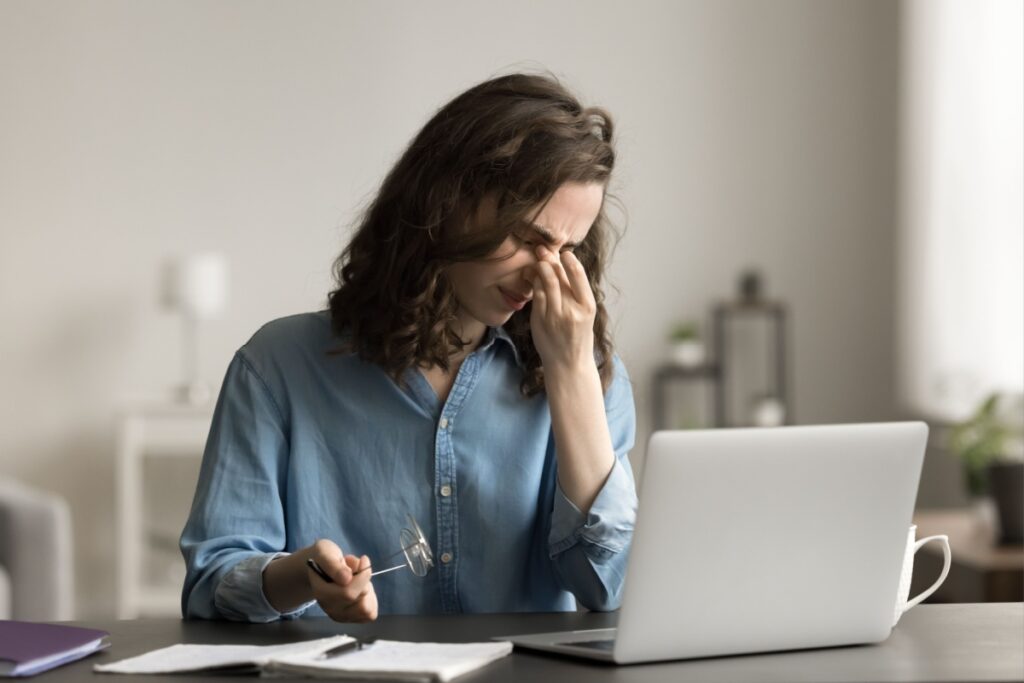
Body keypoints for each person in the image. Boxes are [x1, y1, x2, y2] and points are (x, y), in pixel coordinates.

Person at [179, 72, 637, 623]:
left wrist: (572, 376)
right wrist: (302, 577)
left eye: (569, 247)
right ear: (449, 204)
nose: (545, 272)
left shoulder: (594, 379)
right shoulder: (277, 367)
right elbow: (213, 582)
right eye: (529, 238)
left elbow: (603, 587)